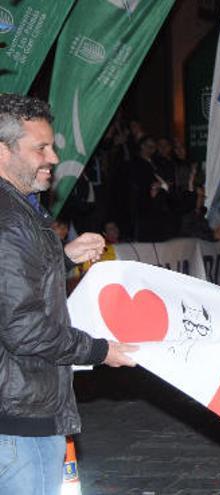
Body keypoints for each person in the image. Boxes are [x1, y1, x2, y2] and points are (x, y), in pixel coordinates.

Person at [0, 94, 137, 494]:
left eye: (52, 145)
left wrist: (62, 258)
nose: (54, 158)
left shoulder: (19, 211)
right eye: (40, 148)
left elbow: (14, 285)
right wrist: (99, 350)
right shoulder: (9, 219)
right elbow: (22, 326)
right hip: (18, 416)